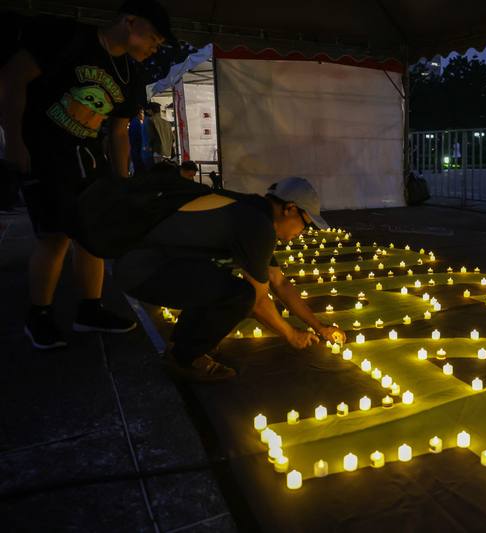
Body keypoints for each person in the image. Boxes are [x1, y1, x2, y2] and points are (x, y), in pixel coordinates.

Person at [0, 0, 174, 349]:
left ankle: (90, 310)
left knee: (92, 233)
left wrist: (121, 181)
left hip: (87, 159)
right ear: (129, 21)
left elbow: (120, 131)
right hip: (44, 151)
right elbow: (12, 80)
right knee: (55, 236)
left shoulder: (129, 73)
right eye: (153, 37)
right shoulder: (68, 38)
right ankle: (40, 315)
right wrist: (15, 142)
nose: (156, 47)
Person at [113, 176, 347, 382]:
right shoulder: (257, 225)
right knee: (241, 295)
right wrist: (291, 334)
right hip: (143, 270)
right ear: (290, 209)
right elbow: (258, 301)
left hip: (138, 265)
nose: (302, 233)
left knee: (222, 280)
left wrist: (319, 327)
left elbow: (279, 282)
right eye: (305, 224)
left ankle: (183, 343)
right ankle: (184, 357)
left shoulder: (253, 212)